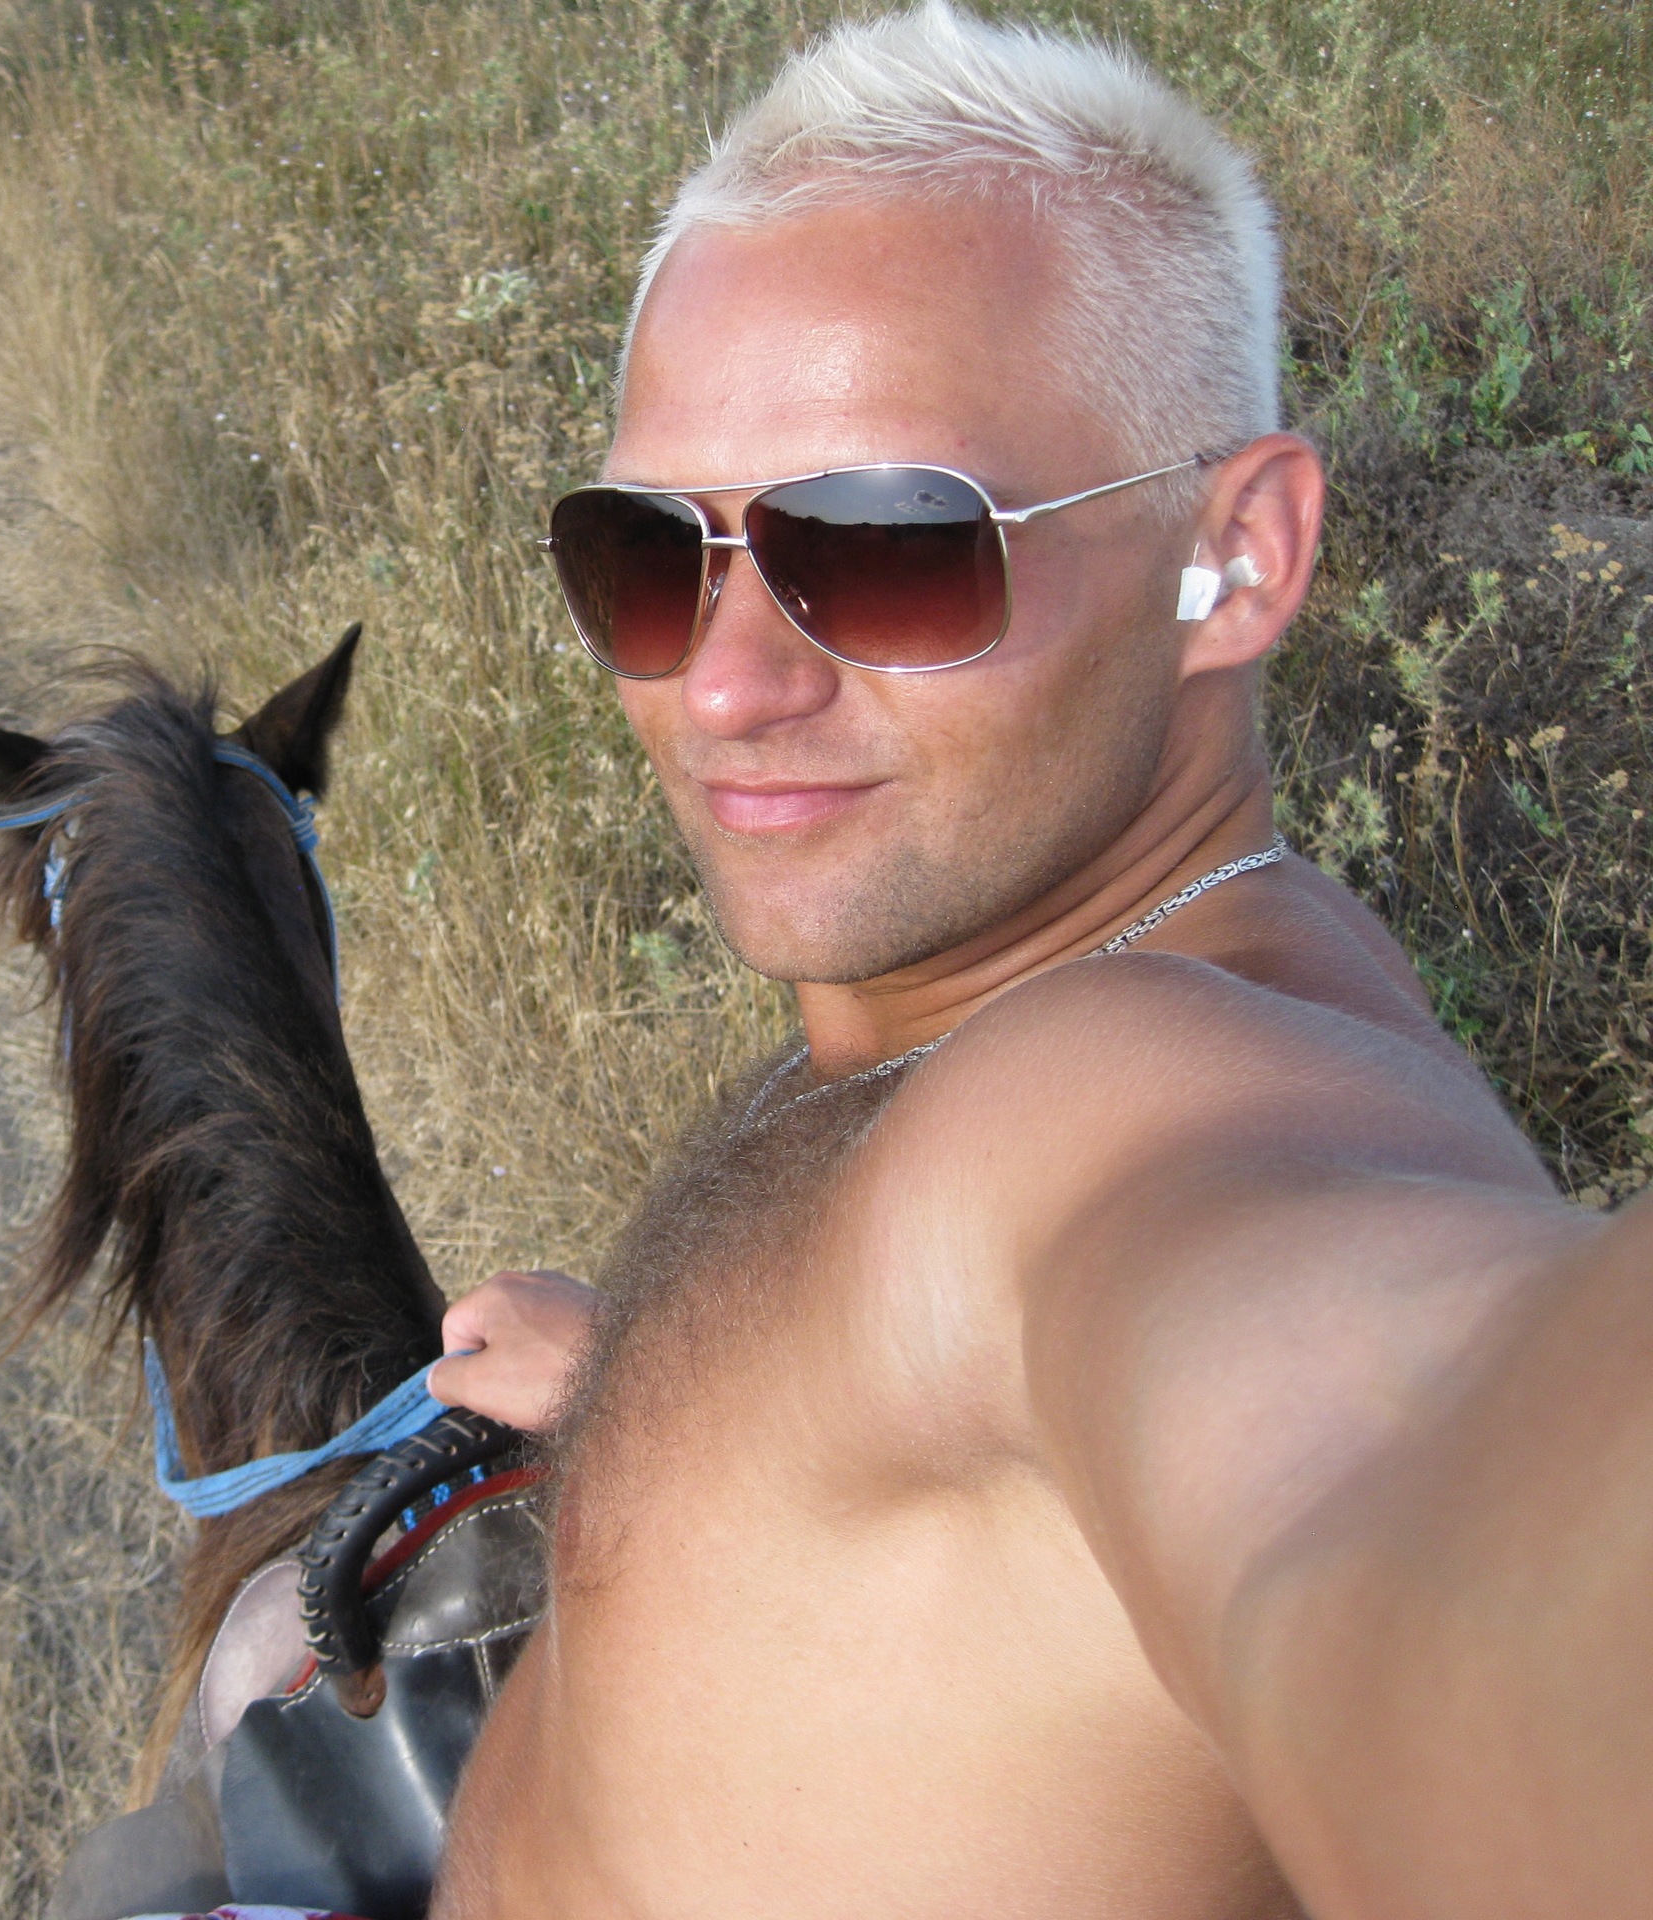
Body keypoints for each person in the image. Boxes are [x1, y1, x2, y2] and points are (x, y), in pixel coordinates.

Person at [422, 5, 1653, 1916]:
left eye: (887, 547)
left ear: (1235, 557)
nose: (726, 686)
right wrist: (656, 1396)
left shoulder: (1113, 1109)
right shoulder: (982, 976)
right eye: (651, 554)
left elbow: (1414, 1481)